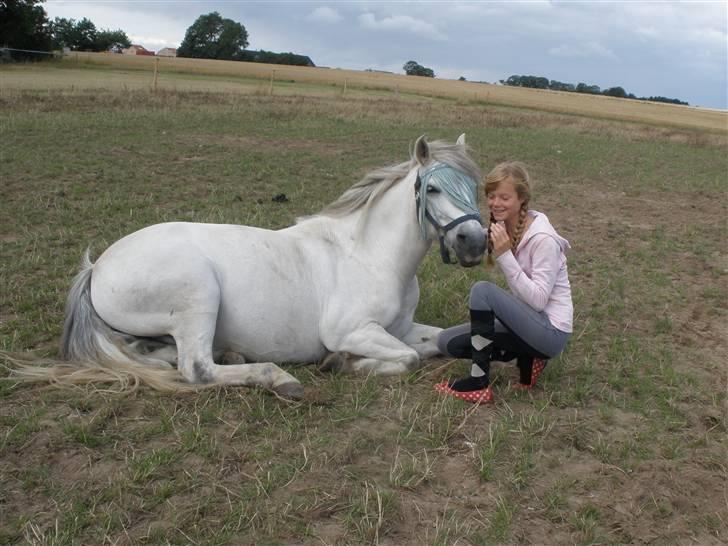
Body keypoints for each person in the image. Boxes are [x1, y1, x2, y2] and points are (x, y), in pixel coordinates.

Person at [434, 161, 573, 404]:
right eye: (491, 195)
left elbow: (539, 301)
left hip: (551, 331)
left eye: (504, 197)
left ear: (522, 199)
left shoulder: (543, 239)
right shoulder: (503, 227)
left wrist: (505, 255)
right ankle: (528, 358)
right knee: (447, 343)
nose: (495, 202)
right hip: (526, 323)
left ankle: (478, 383)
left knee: (482, 291)